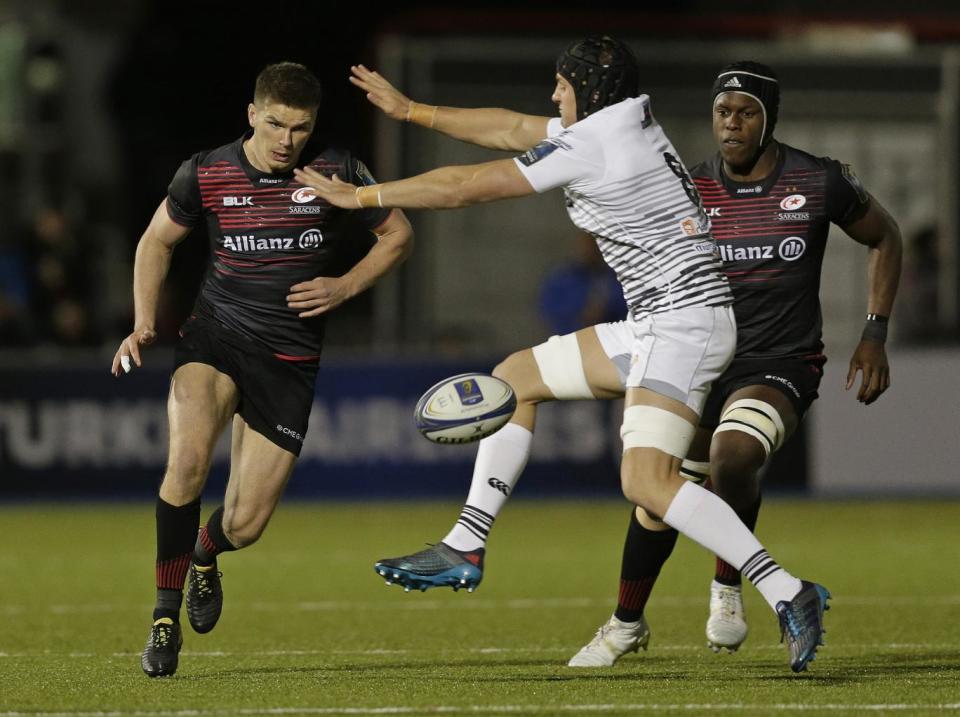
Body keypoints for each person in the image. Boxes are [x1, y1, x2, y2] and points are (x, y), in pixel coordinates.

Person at [296, 38, 830, 673]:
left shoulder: (597, 141)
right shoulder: (619, 120)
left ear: (589, 89)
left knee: (646, 483)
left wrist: (362, 197)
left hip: (683, 328)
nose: (554, 96)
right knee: (513, 380)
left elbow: (470, 185)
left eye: (562, 84)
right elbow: (514, 127)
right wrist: (414, 111)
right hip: (659, 323)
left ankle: (788, 591)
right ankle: (466, 544)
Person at [566, 61, 902, 667]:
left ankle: (727, 588)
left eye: (745, 113)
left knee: (732, 457)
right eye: (723, 112)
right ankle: (625, 622)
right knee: (658, 493)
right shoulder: (687, 188)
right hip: (699, 360)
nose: (731, 124)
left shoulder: (819, 180)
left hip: (780, 362)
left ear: (768, 118)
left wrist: (874, 333)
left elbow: (887, 236)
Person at [112, 61, 413, 678]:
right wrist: (144, 321)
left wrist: (345, 285)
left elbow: (399, 236)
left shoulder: (337, 169)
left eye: (299, 128)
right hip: (215, 338)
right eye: (275, 124)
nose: (286, 140)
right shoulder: (206, 171)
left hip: (289, 359)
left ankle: (204, 553)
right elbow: (155, 242)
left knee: (245, 525)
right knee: (188, 462)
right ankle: (164, 620)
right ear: (252, 114)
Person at [539, 230, 627, 335]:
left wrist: (607, 311)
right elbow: (551, 312)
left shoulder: (618, 277)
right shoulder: (563, 278)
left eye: (595, 247)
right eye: (586, 246)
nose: (590, 251)